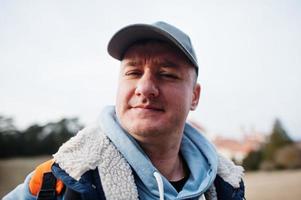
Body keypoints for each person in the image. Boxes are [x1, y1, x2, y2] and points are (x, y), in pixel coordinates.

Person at [4, 21, 245, 200]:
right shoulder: (58, 180)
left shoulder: (227, 185)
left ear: (194, 96)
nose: (145, 88)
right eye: (133, 73)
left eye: (166, 74)